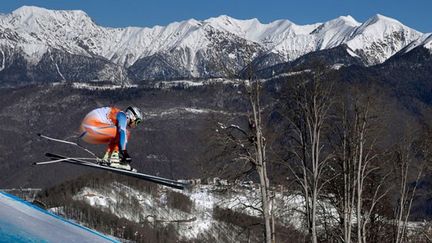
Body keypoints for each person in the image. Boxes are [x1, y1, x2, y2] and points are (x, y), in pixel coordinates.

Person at [79, 106, 143, 170]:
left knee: (117, 135)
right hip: (90, 127)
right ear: (133, 116)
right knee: (125, 133)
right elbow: (122, 131)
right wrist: (124, 152)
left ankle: (108, 157)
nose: (136, 125)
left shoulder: (117, 116)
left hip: (86, 130)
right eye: (137, 121)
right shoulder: (122, 115)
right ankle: (114, 159)